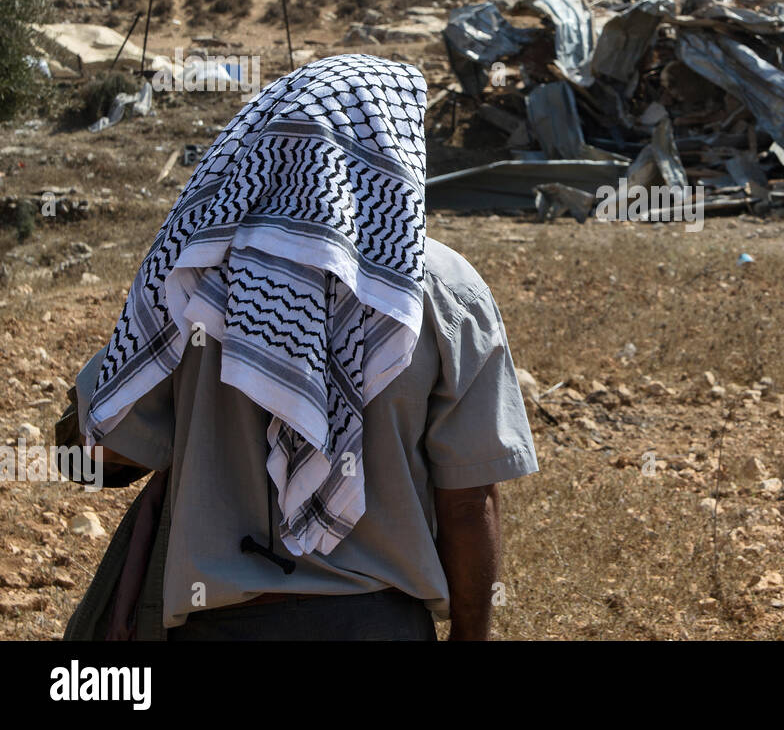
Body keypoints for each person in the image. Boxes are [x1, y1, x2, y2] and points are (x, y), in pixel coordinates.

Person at [72, 53, 538, 640]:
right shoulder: (447, 292)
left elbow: (104, 456)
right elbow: (470, 506)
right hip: (377, 623)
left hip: (217, 624)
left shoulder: (191, 275)